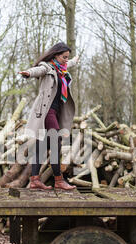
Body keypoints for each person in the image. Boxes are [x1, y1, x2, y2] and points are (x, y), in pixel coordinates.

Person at [18, 42, 79, 190]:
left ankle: (34, 180)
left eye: (67, 58)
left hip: (57, 112)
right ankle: (59, 180)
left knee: (42, 144)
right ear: (56, 55)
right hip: (47, 112)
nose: (66, 60)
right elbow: (38, 70)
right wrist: (28, 72)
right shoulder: (48, 67)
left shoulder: (62, 68)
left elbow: (68, 63)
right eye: (64, 57)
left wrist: (75, 60)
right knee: (55, 141)